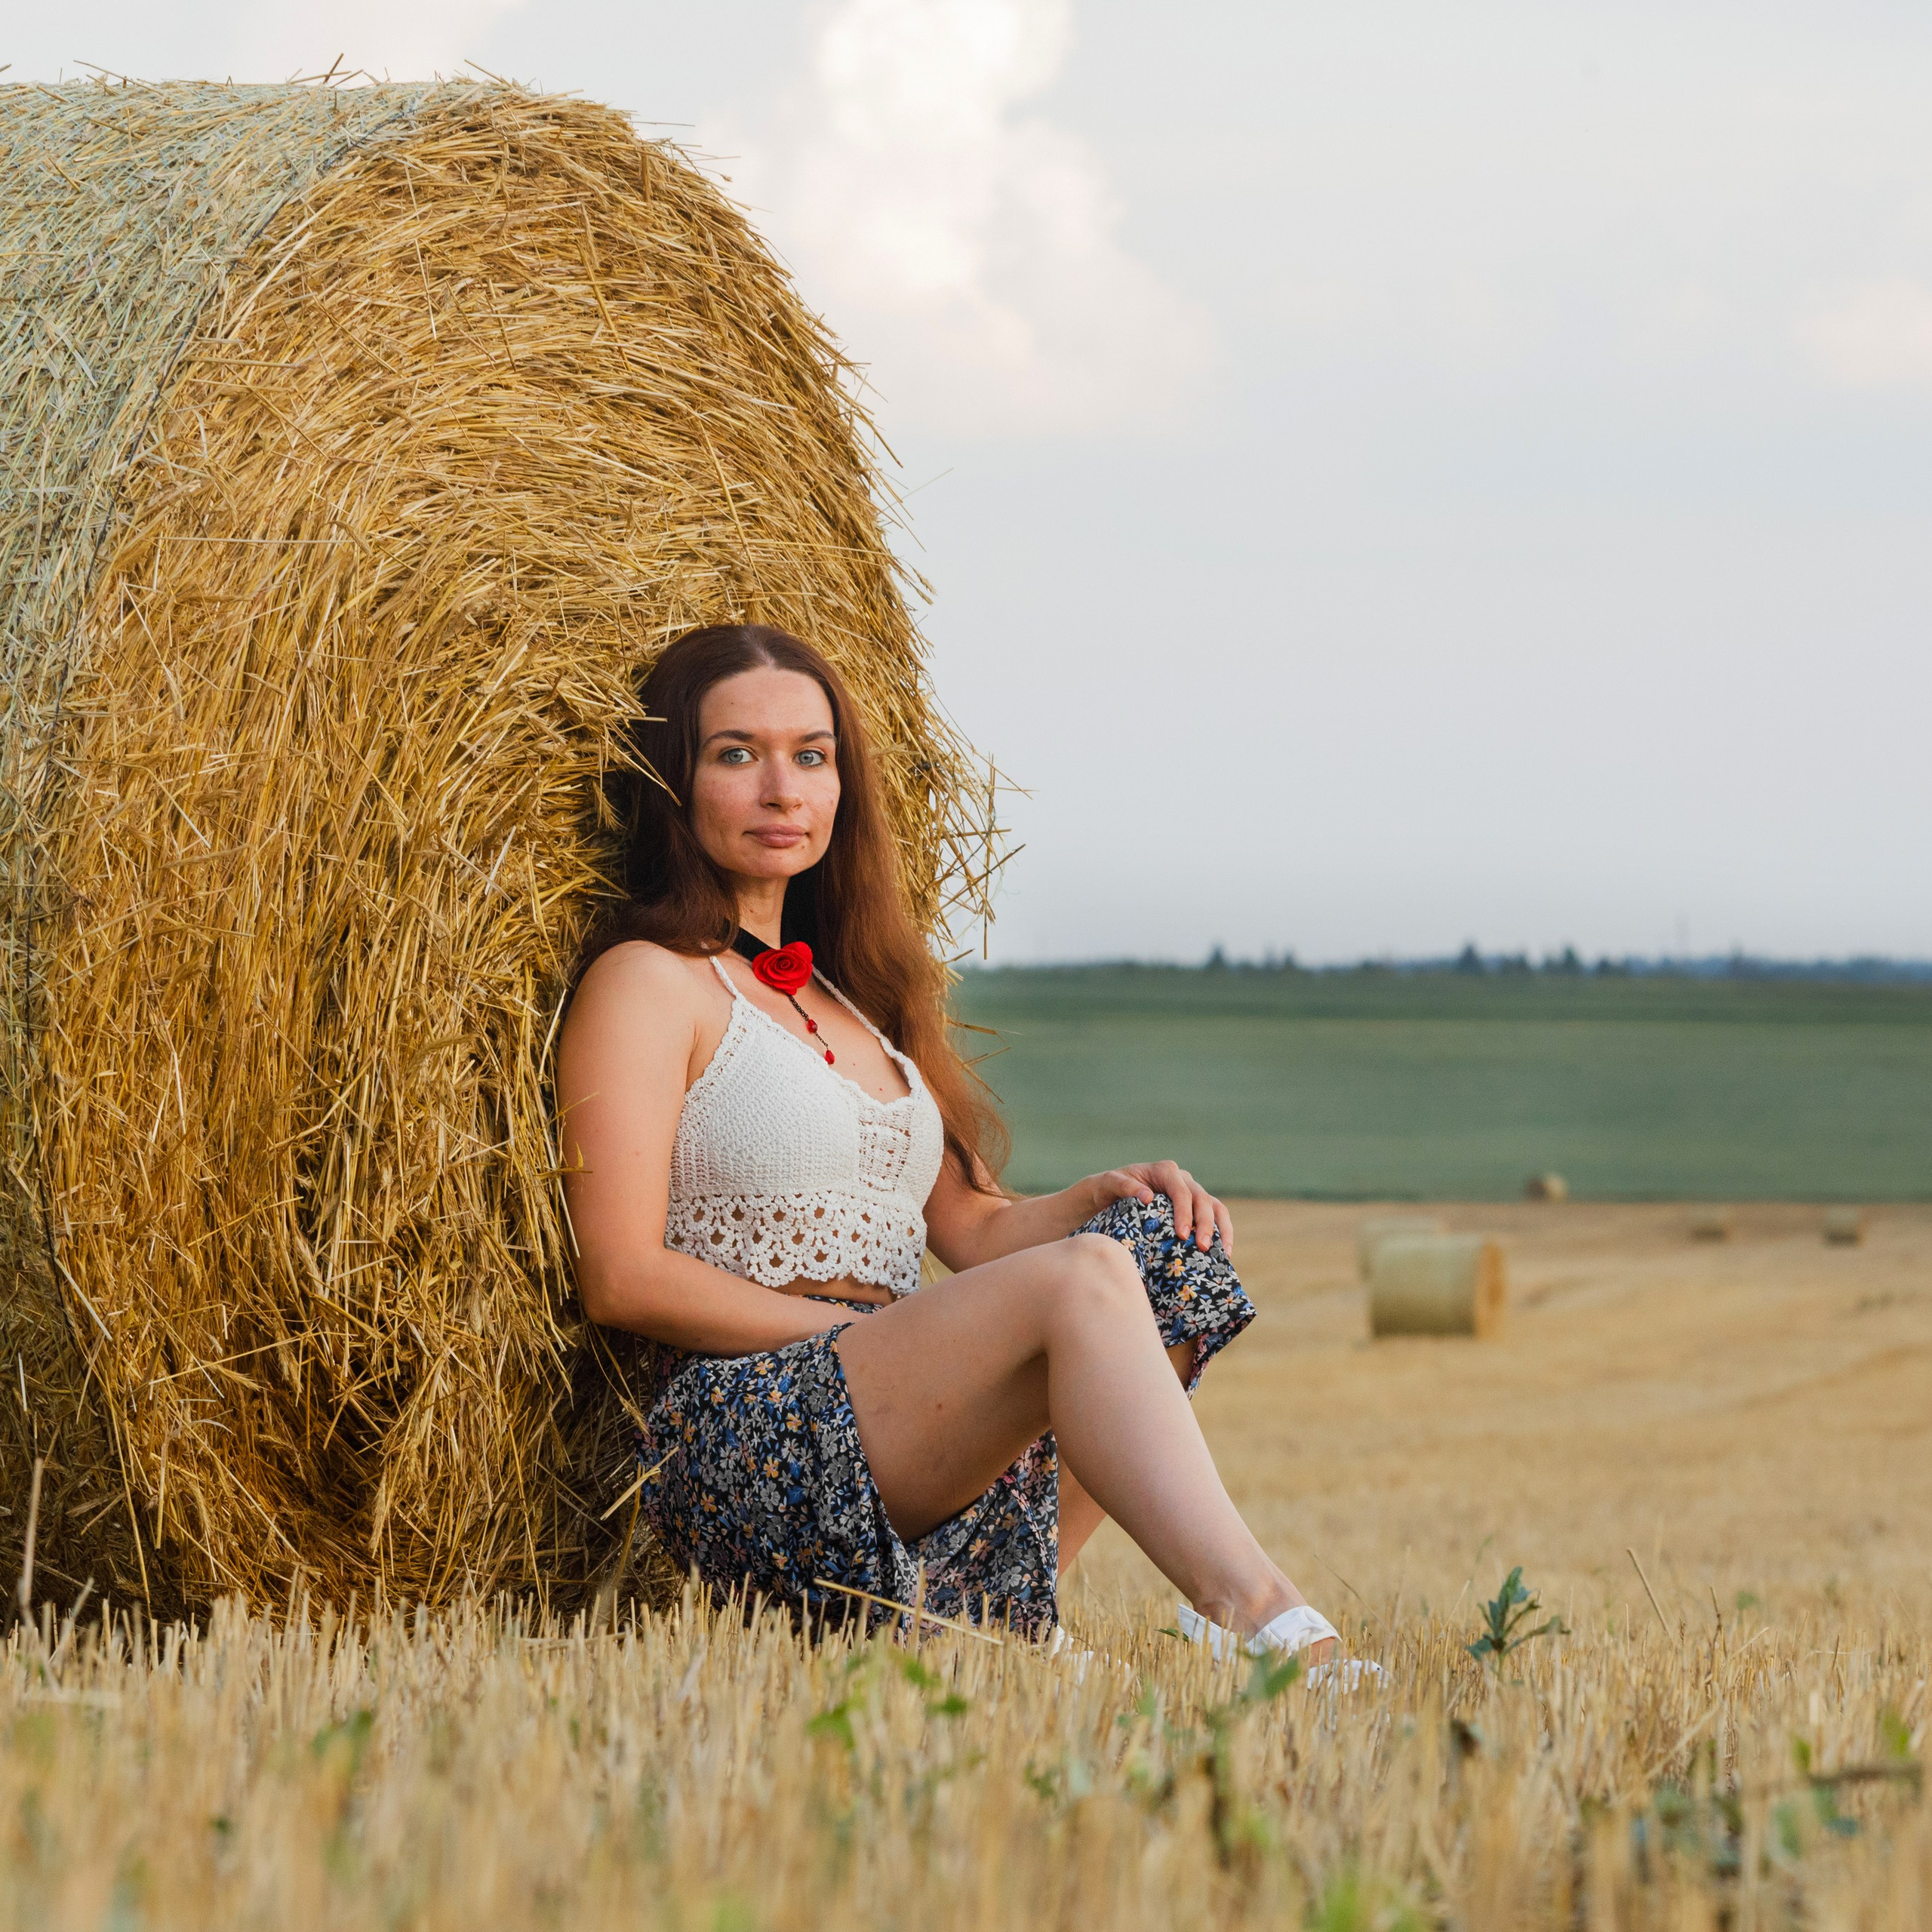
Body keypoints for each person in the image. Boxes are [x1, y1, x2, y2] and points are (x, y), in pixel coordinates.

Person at [556, 623, 1346, 1664]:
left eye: (812, 756)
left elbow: (971, 1228)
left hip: (896, 1402)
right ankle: (1265, 1619)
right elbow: (619, 1276)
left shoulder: (860, 998)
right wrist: (833, 1333)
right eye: (736, 754)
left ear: (843, 788)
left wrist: (1099, 1199)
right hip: (747, 1435)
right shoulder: (649, 982)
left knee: (1160, 1254)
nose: (782, 791)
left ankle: (985, 1611)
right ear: (677, 782)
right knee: (1080, 1284)